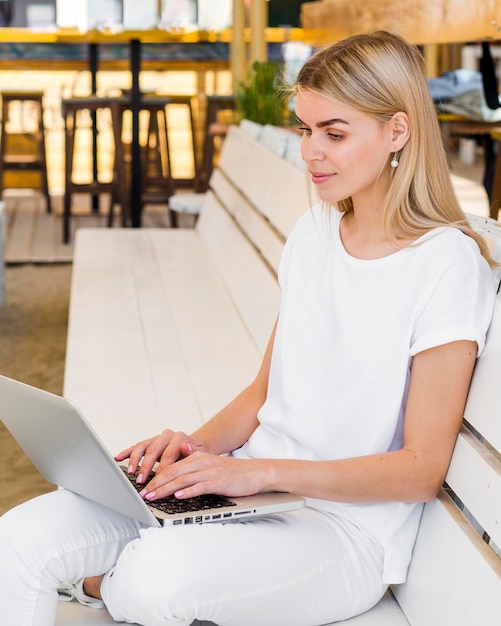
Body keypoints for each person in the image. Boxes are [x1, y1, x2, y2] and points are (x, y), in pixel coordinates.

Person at [0, 30, 497, 626]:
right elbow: (267, 391)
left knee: (150, 578)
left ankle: (99, 584)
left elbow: (421, 467)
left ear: (397, 132)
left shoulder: (445, 263)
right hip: (254, 494)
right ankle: (108, 575)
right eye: (305, 129)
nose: (312, 151)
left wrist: (254, 472)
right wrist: (197, 448)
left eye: (333, 134)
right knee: (18, 539)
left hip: (346, 532)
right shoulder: (316, 233)